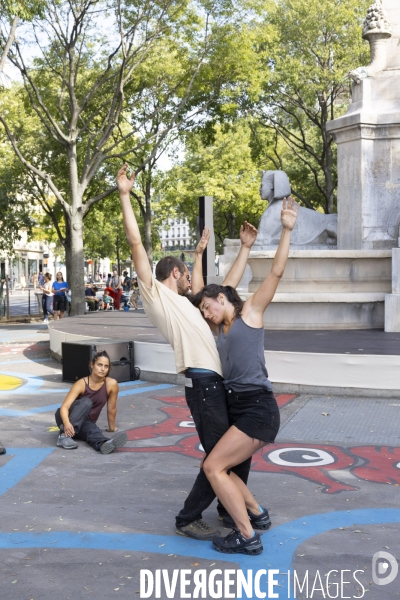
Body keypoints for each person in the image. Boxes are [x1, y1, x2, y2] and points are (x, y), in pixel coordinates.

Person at [117, 163, 258, 541]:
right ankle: (187, 517)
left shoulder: (192, 307)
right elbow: (135, 245)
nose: (196, 284)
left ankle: (232, 510)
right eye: (189, 274)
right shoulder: (158, 294)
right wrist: (125, 196)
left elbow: (225, 289)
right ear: (176, 273)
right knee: (218, 459)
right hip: (202, 383)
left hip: (216, 383)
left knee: (234, 452)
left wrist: (244, 248)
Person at [192, 196, 299, 555]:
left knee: (214, 467)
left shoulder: (251, 312)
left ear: (222, 300)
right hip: (237, 407)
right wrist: (241, 249)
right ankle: (258, 515)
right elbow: (215, 287)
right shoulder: (219, 328)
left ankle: (247, 535)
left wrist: (286, 229)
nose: (206, 314)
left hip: (257, 407)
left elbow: (276, 273)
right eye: (204, 311)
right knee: (226, 468)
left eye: (208, 307)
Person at [55, 350, 128, 452]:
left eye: (106, 366)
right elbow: (64, 407)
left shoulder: (111, 384)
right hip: (65, 418)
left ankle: (104, 444)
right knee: (87, 402)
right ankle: (63, 436)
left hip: (85, 422)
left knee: (93, 430)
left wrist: (112, 428)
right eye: (99, 365)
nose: (102, 369)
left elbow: (111, 408)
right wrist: (67, 423)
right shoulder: (81, 383)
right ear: (92, 365)